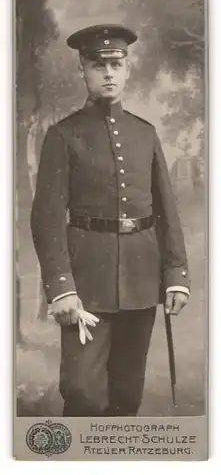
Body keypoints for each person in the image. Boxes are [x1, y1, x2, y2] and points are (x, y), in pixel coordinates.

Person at [31, 24, 190, 417]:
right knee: (83, 393)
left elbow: (166, 210)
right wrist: (61, 289)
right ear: (82, 70)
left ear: (127, 69)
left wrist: (176, 274)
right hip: (85, 285)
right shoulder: (63, 136)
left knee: (126, 396)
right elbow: (47, 219)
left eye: (115, 64)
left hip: (140, 279)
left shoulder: (145, 133)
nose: (108, 73)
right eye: (97, 64)